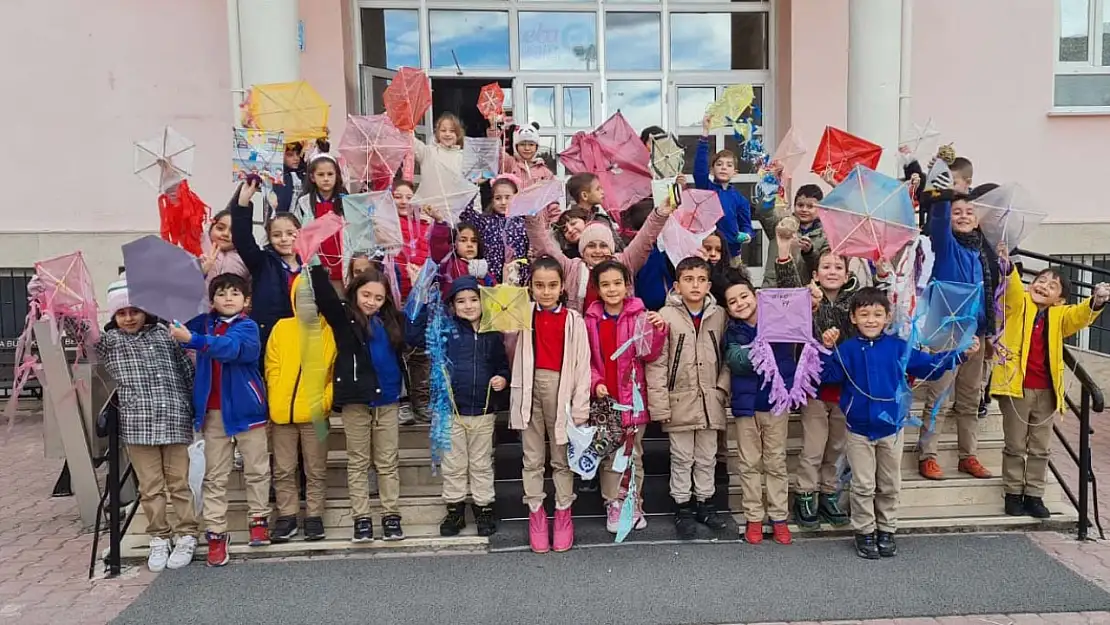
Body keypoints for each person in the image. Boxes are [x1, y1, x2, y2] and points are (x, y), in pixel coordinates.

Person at [820, 287, 978, 559]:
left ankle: (886, 529)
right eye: (864, 314)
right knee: (863, 485)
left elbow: (929, 365)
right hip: (858, 430)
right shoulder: (846, 349)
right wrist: (825, 349)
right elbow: (827, 376)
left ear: (888, 317)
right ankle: (865, 531)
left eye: (877, 314)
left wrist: (960, 354)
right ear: (853, 318)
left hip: (892, 429)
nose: (871, 320)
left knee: (890, 483)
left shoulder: (898, 347)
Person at [992, 247, 1109, 518]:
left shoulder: (1059, 316)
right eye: (1040, 281)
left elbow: (1079, 316)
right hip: (1016, 387)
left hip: (1047, 391)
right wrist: (1008, 268)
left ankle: (1034, 494)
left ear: (1059, 299)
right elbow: (1011, 291)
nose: (1043, 286)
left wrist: (1096, 301)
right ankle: (1012, 493)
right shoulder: (1019, 304)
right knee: (1015, 445)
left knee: (1041, 447)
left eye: (1052, 285)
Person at [96, 276, 197, 572]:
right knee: (151, 487)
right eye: (122, 313)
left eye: (135, 311)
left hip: (174, 418)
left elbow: (187, 370)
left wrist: (194, 407)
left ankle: (187, 533)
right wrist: (54, 304)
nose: (129, 318)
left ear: (146, 311)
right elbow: (83, 336)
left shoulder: (167, 334)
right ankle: (159, 537)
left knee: (179, 483)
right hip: (137, 424)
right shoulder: (111, 342)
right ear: (114, 316)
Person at [171, 273, 269, 567]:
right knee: (215, 475)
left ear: (246, 300)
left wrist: (195, 340)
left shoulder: (248, 327)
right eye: (222, 293)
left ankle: (259, 518)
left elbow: (234, 350)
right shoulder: (203, 323)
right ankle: (216, 533)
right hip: (212, 414)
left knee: (257, 469)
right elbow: (181, 327)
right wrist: (198, 276)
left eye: (235, 293)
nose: (228, 298)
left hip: (248, 410)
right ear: (211, 299)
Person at [310, 264, 408, 542]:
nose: (371, 302)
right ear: (355, 292)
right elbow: (325, 297)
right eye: (366, 295)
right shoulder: (345, 318)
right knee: (358, 461)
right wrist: (315, 264)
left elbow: (413, 330)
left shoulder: (392, 320)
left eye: (378, 298)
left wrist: (419, 287)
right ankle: (361, 518)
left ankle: (391, 515)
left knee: (388, 461)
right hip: (357, 401)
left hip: (388, 400)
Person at [408, 276, 509, 538]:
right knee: (453, 464)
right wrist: (423, 297)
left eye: (474, 299)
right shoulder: (445, 331)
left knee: (481, 463)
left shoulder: (492, 332)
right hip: (451, 411)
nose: (468, 305)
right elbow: (414, 335)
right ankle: (454, 510)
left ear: (482, 302)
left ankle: (483, 508)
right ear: (452, 305)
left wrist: (502, 378)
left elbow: (501, 365)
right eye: (461, 301)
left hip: (483, 412)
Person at [917, 182, 1000, 480]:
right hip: (947, 330)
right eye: (957, 212)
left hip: (976, 332)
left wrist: (988, 333)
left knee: (969, 398)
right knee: (938, 395)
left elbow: (990, 294)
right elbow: (937, 222)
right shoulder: (945, 244)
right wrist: (942, 196)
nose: (964, 216)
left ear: (978, 219)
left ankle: (969, 455)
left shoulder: (981, 250)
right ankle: (927, 454)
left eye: (969, 212)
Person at [510, 256, 592, 553]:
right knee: (532, 458)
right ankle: (536, 513)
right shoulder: (521, 314)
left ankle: (563, 512)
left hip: (562, 391)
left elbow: (583, 366)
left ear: (562, 287)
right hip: (528, 389)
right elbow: (506, 335)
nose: (546, 291)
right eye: (539, 285)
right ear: (530, 287)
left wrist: (580, 406)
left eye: (552, 285)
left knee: (561, 457)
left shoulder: (573, 320)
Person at [775, 244, 859, 529]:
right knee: (814, 445)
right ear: (815, 273)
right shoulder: (806, 301)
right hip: (812, 388)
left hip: (843, 389)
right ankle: (805, 494)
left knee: (836, 445)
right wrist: (785, 254)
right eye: (826, 267)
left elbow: (861, 328)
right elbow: (787, 287)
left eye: (838, 267)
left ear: (847, 275)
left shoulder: (853, 304)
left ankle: (828, 492)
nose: (832, 271)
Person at [646, 257, 729, 540]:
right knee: (682, 457)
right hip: (679, 398)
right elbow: (657, 364)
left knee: (707, 456)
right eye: (689, 279)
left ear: (708, 284)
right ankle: (682, 505)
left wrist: (722, 388)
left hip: (709, 399)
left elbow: (727, 354)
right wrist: (659, 404)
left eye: (701, 279)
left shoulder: (719, 315)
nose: (695, 285)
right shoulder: (665, 316)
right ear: (677, 285)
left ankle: (705, 502)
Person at [584, 260, 667, 533]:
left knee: (633, 454)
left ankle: (633, 500)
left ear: (627, 286)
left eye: (617, 283)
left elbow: (649, 354)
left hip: (633, 399)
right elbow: (587, 360)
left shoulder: (639, 314)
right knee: (610, 453)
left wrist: (658, 330)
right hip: (605, 401)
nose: (612, 289)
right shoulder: (591, 319)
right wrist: (596, 383)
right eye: (605, 284)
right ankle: (613, 503)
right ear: (597, 288)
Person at [264, 273, 337, 543]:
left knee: (315, 468)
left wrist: (325, 400)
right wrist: (275, 396)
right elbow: (271, 365)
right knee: (283, 468)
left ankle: (314, 516)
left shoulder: (328, 330)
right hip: (282, 414)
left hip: (316, 414)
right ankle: (287, 515)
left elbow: (333, 372)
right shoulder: (282, 328)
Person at [722, 275, 794, 545]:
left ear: (756, 295)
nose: (740, 303)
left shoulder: (780, 322)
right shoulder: (733, 331)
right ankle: (753, 516)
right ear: (728, 308)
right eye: (732, 301)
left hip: (776, 403)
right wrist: (760, 349)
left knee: (775, 462)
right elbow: (736, 360)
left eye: (744, 296)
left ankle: (779, 517)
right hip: (745, 406)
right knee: (749, 463)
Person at [526, 194, 676, 313]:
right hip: (583, 338)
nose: (598, 251)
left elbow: (644, 239)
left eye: (603, 246)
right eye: (591, 246)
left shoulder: (623, 263)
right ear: (582, 251)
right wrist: (532, 214)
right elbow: (543, 245)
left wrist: (660, 214)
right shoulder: (571, 268)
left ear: (611, 249)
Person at [229, 179, 301, 362]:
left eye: (290, 233)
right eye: (277, 235)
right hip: (268, 337)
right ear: (269, 237)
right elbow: (242, 239)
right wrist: (243, 202)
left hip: (301, 337)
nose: (284, 239)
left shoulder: (310, 267)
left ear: (300, 233)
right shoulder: (262, 262)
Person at [696, 115, 753, 261]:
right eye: (719, 164)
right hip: (707, 251)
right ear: (711, 170)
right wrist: (705, 134)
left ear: (735, 172)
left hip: (732, 253)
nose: (723, 168)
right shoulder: (706, 188)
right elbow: (699, 170)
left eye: (729, 165)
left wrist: (746, 235)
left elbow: (746, 225)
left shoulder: (740, 199)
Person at [459, 175, 530, 285]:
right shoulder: (485, 221)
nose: (503, 202)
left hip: (516, 279)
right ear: (491, 200)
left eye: (508, 197)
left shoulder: (523, 223)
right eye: (498, 198)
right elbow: (466, 213)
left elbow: (530, 247)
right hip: (490, 281)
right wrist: (473, 187)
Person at [292, 150, 348, 288]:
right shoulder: (303, 203)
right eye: (321, 175)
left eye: (330, 174)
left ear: (337, 176)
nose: (326, 179)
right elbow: (296, 232)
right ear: (312, 177)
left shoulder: (346, 202)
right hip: (313, 264)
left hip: (341, 264)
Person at [758, 185, 827, 287]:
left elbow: (822, 267)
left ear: (820, 209)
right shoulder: (782, 224)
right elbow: (765, 214)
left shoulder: (824, 236)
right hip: (774, 287)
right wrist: (768, 197)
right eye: (800, 205)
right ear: (794, 206)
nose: (804, 209)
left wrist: (809, 252)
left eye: (810, 206)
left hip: (803, 290)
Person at [564, 173, 623, 249]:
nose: (602, 192)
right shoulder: (570, 221)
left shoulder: (598, 215)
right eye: (598, 189)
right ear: (584, 196)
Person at [436, 222, 496, 296]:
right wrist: (439, 223)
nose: (470, 245)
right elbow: (439, 246)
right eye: (463, 240)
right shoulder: (449, 265)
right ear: (453, 244)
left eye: (474, 241)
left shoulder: (484, 268)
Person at [199, 208, 249, 287]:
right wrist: (203, 270)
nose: (225, 234)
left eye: (234, 231)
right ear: (211, 228)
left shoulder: (246, 257)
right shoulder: (198, 243)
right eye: (220, 228)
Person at [498, 122, 554, 188]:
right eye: (522, 144)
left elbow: (552, 193)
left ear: (536, 147)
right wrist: (494, 128)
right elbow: (494, 150)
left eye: (531, 144)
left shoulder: (545, 172)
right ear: (515, 146)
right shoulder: (509, 163)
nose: (527, 148)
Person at [272, 140, 309, 213]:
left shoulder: (306, 174)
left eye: (298, 154)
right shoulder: (276, 176)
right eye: (290, 155)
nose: (296, 158)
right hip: (280, 220)